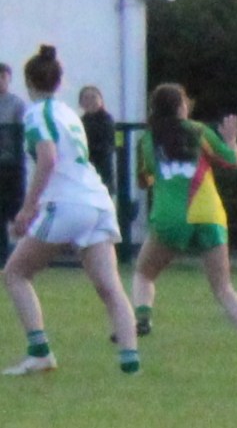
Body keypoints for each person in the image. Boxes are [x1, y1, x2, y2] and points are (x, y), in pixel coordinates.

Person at [2, 45, 138, 375]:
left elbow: (48, 158)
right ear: (59, 82)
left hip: (66, 203)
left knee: (15, 274)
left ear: (28, 82)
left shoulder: (36, 113)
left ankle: (40, 353)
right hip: (97, 200)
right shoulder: (68, 113)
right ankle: (130, 362)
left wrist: (28, 208)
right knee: (110, 287)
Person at [132, 83, 237, 351]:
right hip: (209, 214)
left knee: (144, 274)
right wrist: (232, 141)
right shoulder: (199, 131)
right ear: (182, 106)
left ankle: (143, 318)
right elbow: (232, 161)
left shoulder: (147, 140)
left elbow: (143, 180)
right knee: (223, 288)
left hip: (172, 216)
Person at [0, 62, 27, 266]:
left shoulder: (17, 104)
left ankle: (24, 255)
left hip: (12, 166)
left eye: (2, 77)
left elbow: (20, 134)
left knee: (15, 210)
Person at [79, 85, 116, 194]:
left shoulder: (107, 120)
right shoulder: (79, 122)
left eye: (93, 97)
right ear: (80, 103)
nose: (90, 101)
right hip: (84, 173)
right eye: (86, 98)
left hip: (102, 173)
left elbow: (107, 145)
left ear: (101, 100)